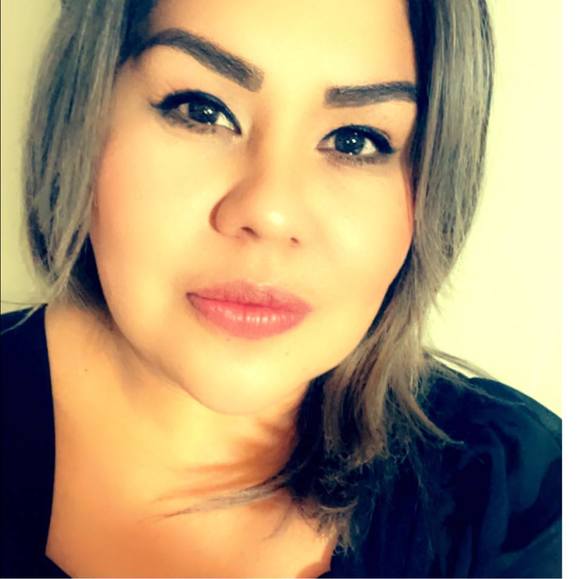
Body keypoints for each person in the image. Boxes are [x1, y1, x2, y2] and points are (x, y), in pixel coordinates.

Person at [0, 0, 562, 577]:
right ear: (84, 113)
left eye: (355, 140)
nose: (270, 212)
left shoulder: (522, 500)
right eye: (202, 110)